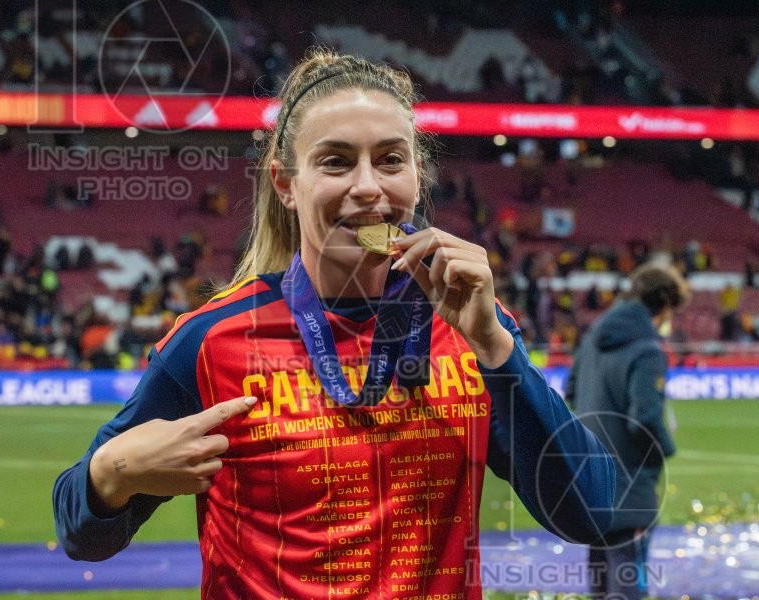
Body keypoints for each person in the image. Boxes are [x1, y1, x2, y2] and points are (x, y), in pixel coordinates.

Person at [53, 49, 615, 599]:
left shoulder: (470, 327)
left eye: (391, 160)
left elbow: (596, 514)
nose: (368, 186)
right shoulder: (215, 339)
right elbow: (81, 533)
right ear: (284, 185)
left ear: (417, 177)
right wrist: (115, 471)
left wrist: (496, 345)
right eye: (336, 161)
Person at [566, 262, 689, 600]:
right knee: (628, 576)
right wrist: (666, 449)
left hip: (590, 477)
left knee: (601, 579)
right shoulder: (647, 350)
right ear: (664, 305)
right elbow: (644, 419)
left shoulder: (592, 339)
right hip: (630, 481)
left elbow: (571, 396)